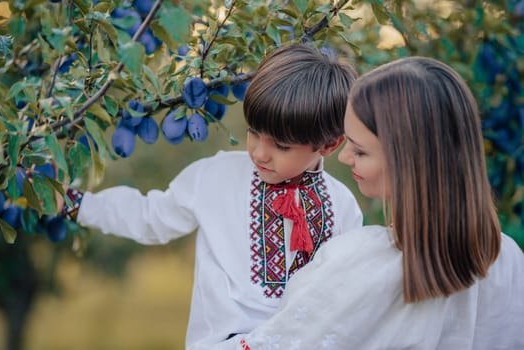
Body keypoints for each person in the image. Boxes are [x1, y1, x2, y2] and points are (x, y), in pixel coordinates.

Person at [62, 43, 363, 349]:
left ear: (328, 145)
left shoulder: (343, 207)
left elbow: (343, 296)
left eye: (281, 146)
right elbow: (150, 216)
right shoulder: (215, 177)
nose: (260, 152)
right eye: (253, 132)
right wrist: (77, 204)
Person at [218, 56, 524, 350]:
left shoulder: (357, 264)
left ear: (410, 161)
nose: (343, 157)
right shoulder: (506, 258)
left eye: (360, 151)